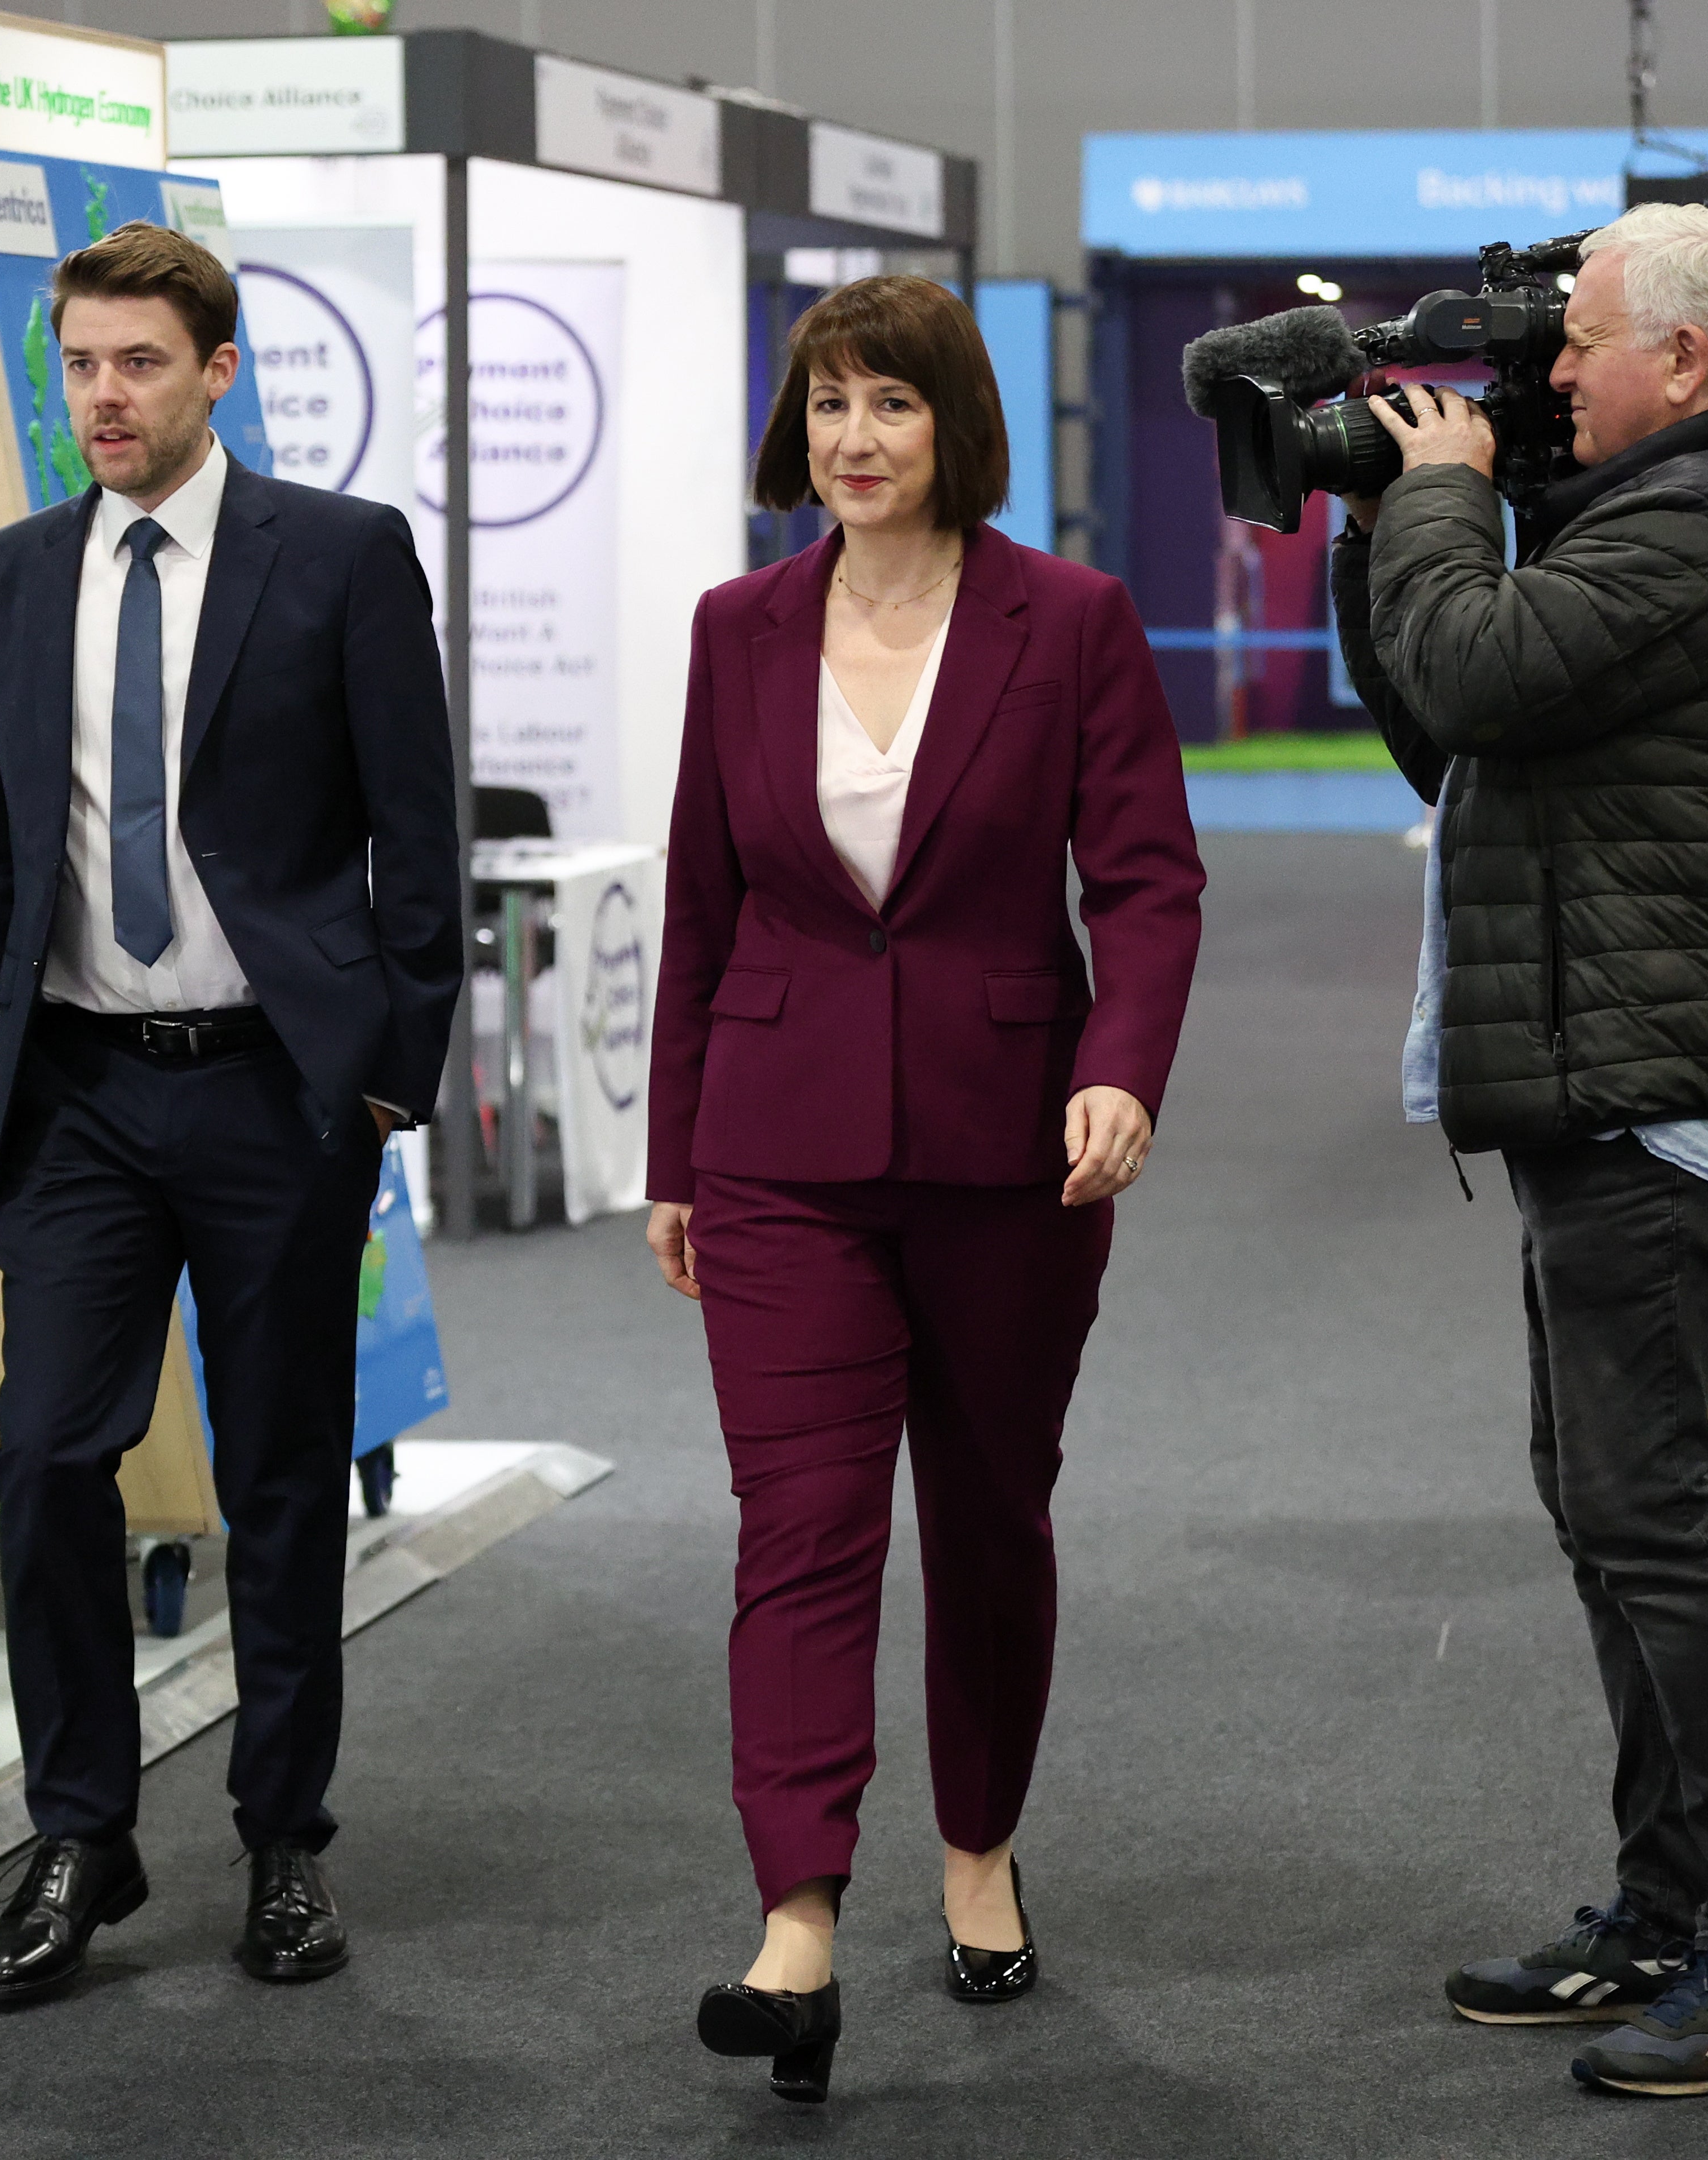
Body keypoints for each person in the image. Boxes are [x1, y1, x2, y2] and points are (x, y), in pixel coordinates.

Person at [646, 274, 1204, 2104]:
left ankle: (978, 1846)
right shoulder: (738, 628)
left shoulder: (1072, 622)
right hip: (776, 1145)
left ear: (951, 422)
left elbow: (1142, 880)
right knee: (798, 1526)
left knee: (983, 1513)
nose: (853, 441)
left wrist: (1119, 1059)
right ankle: (794, 1919)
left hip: (1007, 1146)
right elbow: (701, 915)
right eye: (825, 405)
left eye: (887, 404)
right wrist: (671, 1160)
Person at [1332, 202, 1708, 2097]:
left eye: (1580, 341)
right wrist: (1373, 514)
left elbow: (1470, 664)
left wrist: (1441, 495)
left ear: (1688, 360)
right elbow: (1446, 728)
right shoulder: (1666, 511)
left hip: (1649, 1082)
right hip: (1598, 1073)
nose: (1546, 373)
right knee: (1607, 1513)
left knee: (1645, 1522)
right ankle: (1662, 1905)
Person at [0, 222, 462, 2005]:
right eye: (78, 365)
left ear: (217, 371)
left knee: (278, 1478)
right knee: (50, 1455)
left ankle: (282, 1840)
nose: (103, 398)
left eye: (137, 363)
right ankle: (81, 1831)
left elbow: (416, 833)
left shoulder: (341, 558)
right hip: (72, 1097)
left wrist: (391, 1064)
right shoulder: (10, 576)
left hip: (271, 1090)